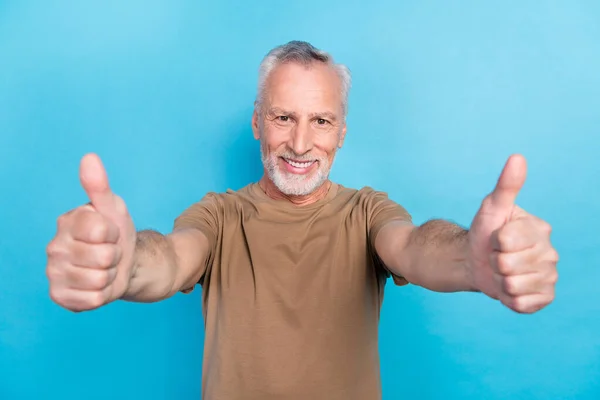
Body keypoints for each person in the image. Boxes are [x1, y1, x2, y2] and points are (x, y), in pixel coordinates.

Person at [45, 41, 559, 399]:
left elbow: (416, 247)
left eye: (321, 121)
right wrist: (123, 265)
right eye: (283, 116)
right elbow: (171, 258)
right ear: (256, 122)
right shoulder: (219, 216)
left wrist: (471, 259)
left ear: (341, 134)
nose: (299, 143)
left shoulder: (367, 212)